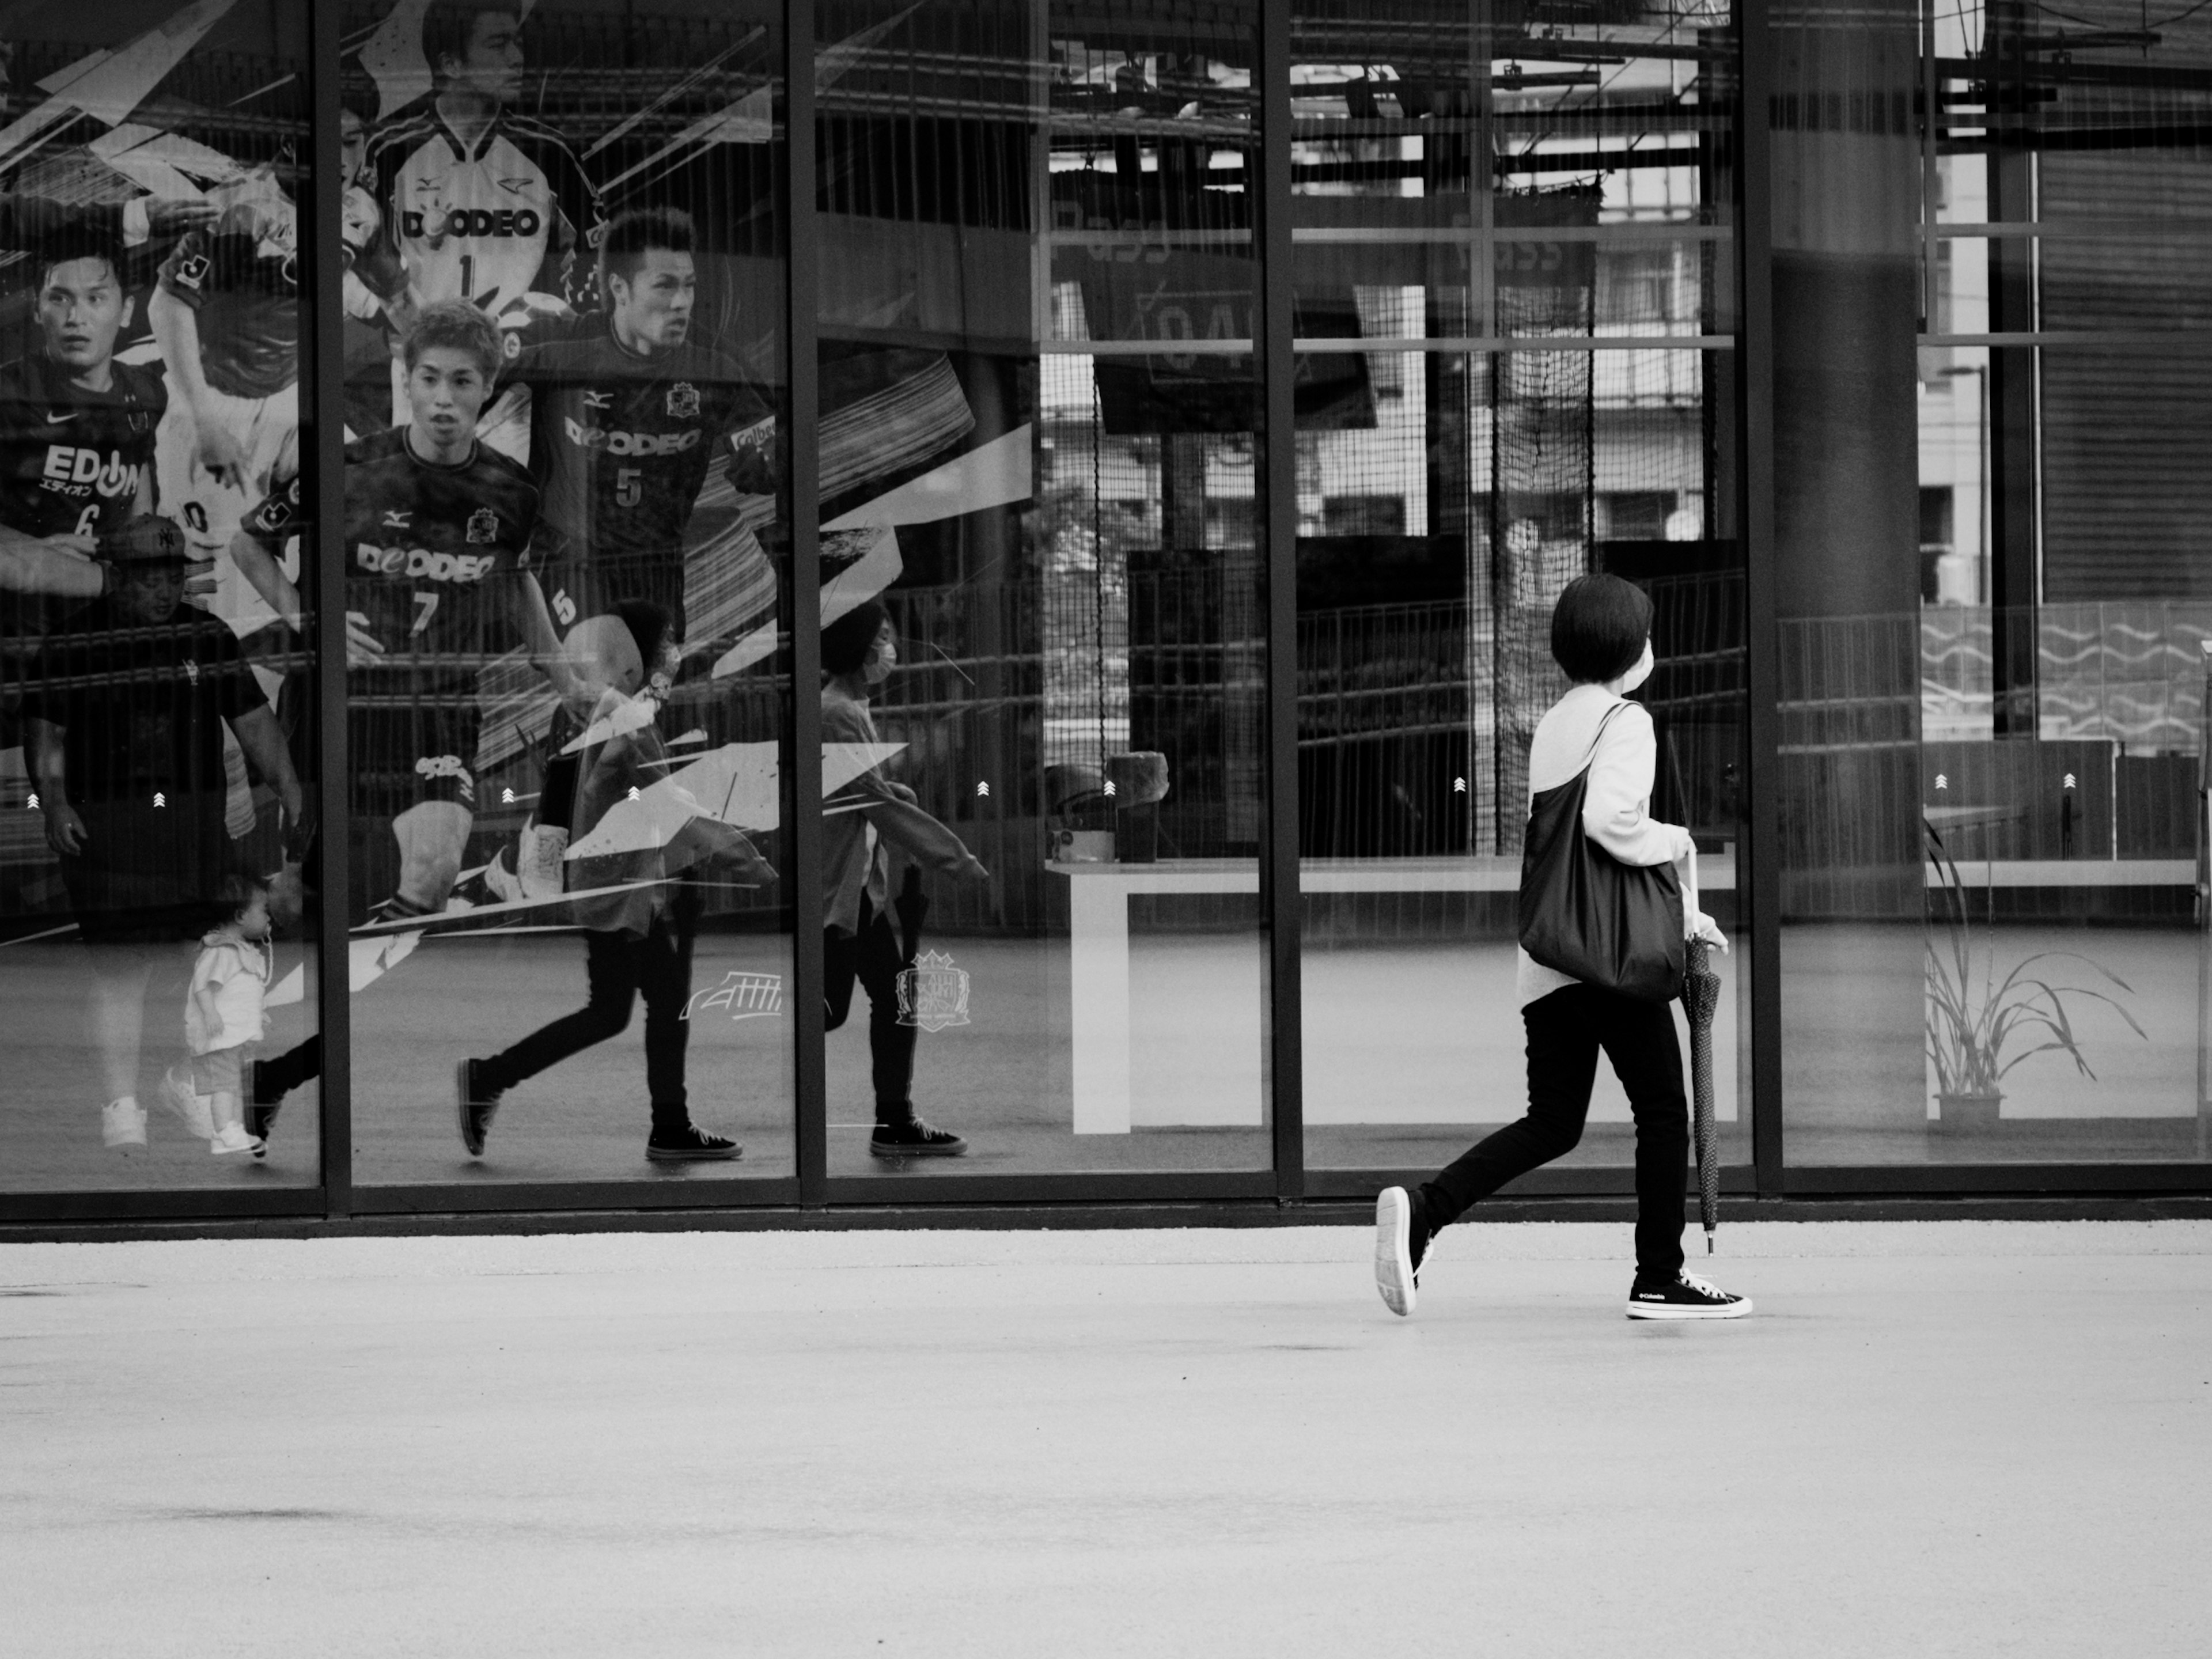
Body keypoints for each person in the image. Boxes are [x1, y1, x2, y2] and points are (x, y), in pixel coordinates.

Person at [1372, 573, 1751, 1321]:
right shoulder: (1626, 720)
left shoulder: (1554, 725)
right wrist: (1677, 841)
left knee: (1552, 1121)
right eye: (1646, 634)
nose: (1651, 647)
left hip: (1551, 956)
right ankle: (1660, 1276)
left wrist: (1681, 914)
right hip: (1609, 963)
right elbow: (1610, 825)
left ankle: (1424, 1209)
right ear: (1630, 648)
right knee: (1664, 1114)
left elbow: (1579, 855)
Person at [228, 300, 570, 924]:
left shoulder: (511, 491)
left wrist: (562, 672)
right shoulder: (349, 471)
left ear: (488, 387)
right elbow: (249, 544)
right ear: (407, 381)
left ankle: (372, 999)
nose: (444, 398)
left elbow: (518, 576)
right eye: (430, 378)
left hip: (437, 705)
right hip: (336, 701)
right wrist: (312, 622)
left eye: (463, 381)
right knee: (301, 897)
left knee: (433, 877)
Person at [456, 602, 775, 1162]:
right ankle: (491, 1077)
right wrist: (745, 859)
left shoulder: (607, 710)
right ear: (636, 657)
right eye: (668, 643)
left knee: (644, 1002)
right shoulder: (626, 717)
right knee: (621, 1009)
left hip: (622, 890)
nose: (675, 654)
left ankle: (666, 1123)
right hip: (620, 894)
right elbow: (673, 806)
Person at [21, 530, 304, 1152]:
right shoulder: (72, 641)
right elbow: (45, 732)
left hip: (193, 828)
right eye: (148, 576)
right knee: (122, 972)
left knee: (213, 967)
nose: (163, 588)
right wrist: (57, 801)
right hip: (107, 829)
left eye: (172, 576)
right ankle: (122, 1105)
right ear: (115, 574)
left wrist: (291, 791)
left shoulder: (206, 636)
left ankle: (196, 1088)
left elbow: (255, 724)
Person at [496, 205, 775, 645]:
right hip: (573, 555)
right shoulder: (560, 344)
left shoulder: (717, 366)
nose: (682, 302)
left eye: (689, 286)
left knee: (644, 700)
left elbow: (767, 448)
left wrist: (765, 462)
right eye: (664, 286)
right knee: (606, 666)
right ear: (619, 289)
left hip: (659, 565)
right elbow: (464, 376)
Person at [819, 600, 990, 1158]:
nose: (890, 648)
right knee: (832, 1007)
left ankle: (895, 1120)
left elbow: (867, 794)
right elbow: (876, 804)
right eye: (883, 637)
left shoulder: (851, 708)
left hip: (857, 890)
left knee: (893, 1000)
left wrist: (898, 797)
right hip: (836, 891)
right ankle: (890, 1121)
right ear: (860, 648)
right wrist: (955, 859)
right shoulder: (839, 713)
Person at [354, 3, 605, 334]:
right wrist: (404, 326)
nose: (517, 58)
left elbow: (603, 251)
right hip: (423, 365)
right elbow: (359, 253)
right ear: (452, 64)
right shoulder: (391, 151)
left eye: (518, 44)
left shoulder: (549, 153)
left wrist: (564, 326)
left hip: (521, 363)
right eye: (499, 45)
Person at [179, 872, 275, 1157]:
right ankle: (223, 1131)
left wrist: (259, 1014)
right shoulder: (220, 952)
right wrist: (211, 1015)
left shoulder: (239, 951)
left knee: (233, 1084)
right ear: (241, 915)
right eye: (265, 910)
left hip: (236, 1036)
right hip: (221, 1037)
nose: (270, 917)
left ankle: (230, 1129)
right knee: (224, 1085)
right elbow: (202, 987)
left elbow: (244, 992)